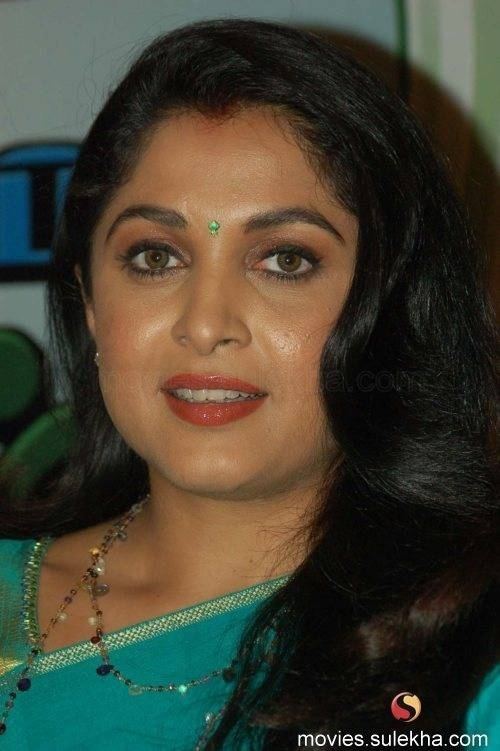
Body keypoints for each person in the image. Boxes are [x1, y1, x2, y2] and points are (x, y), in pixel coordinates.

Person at [0, 17, 498, 751]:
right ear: (92, 306)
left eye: (285, 261)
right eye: (155, 257)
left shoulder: (466, 642)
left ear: (387, 310)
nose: (206, 325)